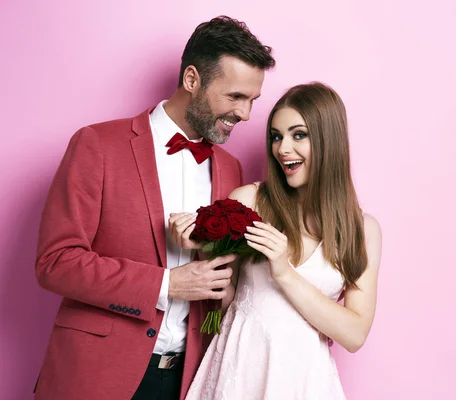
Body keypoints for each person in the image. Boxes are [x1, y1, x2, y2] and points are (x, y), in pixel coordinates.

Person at [34, 16, 275, 400]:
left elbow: (222, 280)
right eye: (235, 97)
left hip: (188, 380)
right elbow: (56, 262)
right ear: (193, 79)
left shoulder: (232, 169)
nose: (245, 114)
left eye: (252, 100)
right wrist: (168, 284)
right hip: (98, 375)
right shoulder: (97, 144)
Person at [169, 82, 382, 399]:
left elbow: (353, 334)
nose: (282, 149)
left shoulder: (362, 230)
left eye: (298, 135)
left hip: (303, 382)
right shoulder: (250, 200)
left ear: (329, 140)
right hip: (239, 370)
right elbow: (227, 302)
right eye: (276, 136)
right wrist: (201, 250)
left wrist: (284, 273)